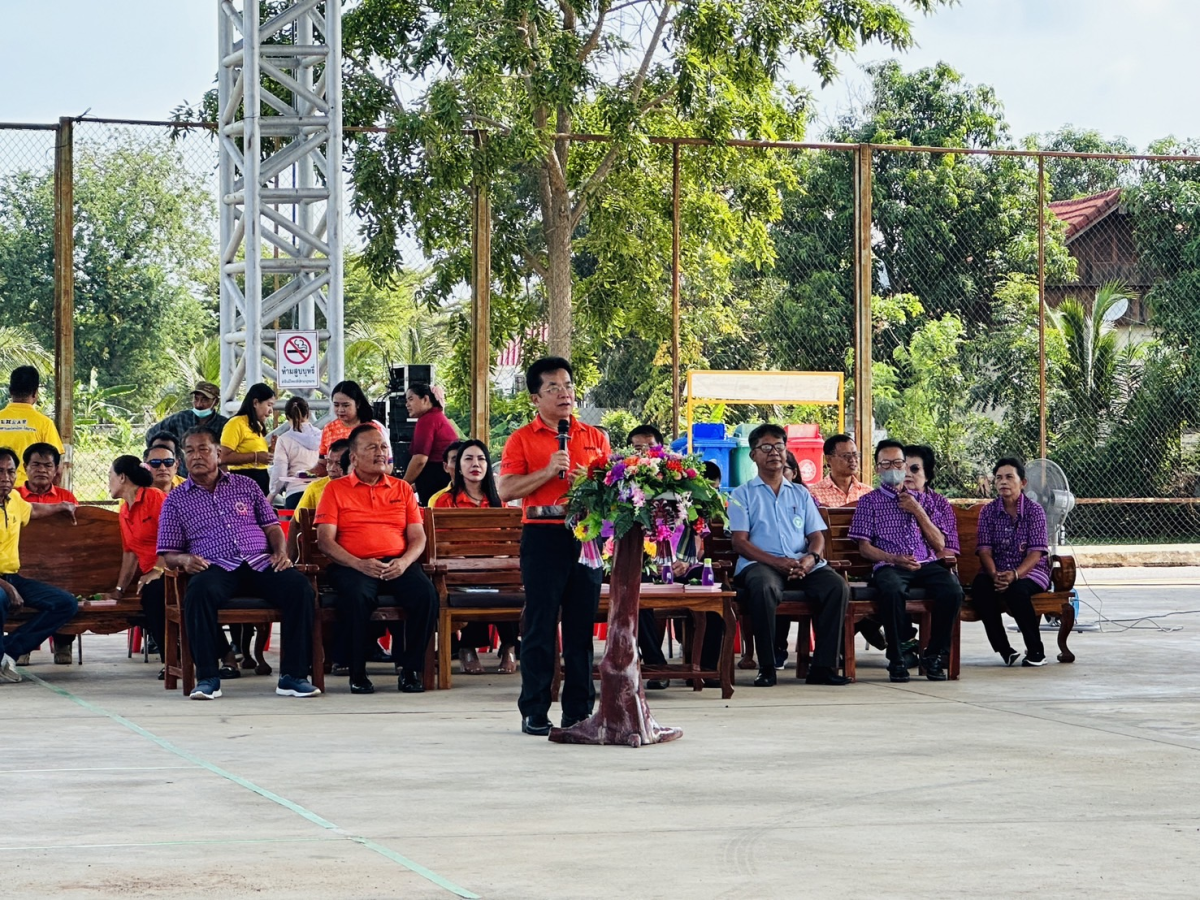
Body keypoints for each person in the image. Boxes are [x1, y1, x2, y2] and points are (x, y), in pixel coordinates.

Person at [157, 427, 319, 700]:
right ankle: (208, 678)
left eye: (204, 449)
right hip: (215, 566)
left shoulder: (246, 485)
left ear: (218, 453)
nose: (197, 456)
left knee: (299, 588)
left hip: (260, 561)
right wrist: (185, 559)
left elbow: (272, 527)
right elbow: (167, 553)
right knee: (198, 593)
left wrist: (281, 552)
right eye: (190, 451)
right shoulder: (176, 499)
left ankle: (293, 676)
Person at [499, 356, 610, 735]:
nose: (564, 394)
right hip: (543, 536)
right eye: (553, 388)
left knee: (581, 629)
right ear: (535, 398)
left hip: (586, 537)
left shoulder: (594, 437)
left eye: (568, 386)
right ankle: (535, 709)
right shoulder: (521, 439)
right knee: (541, 625)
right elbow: (507, 489)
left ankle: (579, 711)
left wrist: (591, 483)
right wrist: (548, 470)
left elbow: (611, 492)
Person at [316, 424, 438, 694]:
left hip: (397, 563)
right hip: (352, 564)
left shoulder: (402, 489)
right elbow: (325, 541)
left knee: (425, 595)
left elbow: (418, 537)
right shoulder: (336, 490)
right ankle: (357, 672)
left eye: (383, 446)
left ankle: (410, 669)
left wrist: (404, 562)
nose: (380, 453)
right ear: (355, 456)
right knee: (357, 595)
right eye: (372, 447)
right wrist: (358, 563)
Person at [727, 424, 851, 687]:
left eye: (780, 447)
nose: (775, 453)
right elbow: (740, 543)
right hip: (760, 563)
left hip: (800, 563)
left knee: (836, 586)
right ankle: (768, 667)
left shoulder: (800, 493)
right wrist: (777, 563)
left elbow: (816, 536)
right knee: (763, 587)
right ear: (753, 455)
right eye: (766, 447)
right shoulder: (742, 494)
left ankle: (823, 667)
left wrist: (811, 559)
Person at [848, 441, 963, 682]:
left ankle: (932, 655)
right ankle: (898, 657)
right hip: (890, 564)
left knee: (952, 591)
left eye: (898, 463)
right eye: (886, 463)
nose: (893, 468)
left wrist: (917, 510)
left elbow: (940, 544)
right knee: (890, 589)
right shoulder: (869, 502)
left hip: (926, 562)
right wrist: (894, 558)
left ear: (905, 467)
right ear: (878, 469)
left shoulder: (924, 500)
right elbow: (864, 548)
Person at [434, 438, 520, 675]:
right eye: (468, 459)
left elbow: (509, 542)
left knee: (504, 579)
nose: (476, 464)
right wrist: (468, 562)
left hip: (496, 569)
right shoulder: (446, 501)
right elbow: (443, 545)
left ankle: (509, 644)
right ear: (458, 466)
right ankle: (468, 647)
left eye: (481, 459)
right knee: (481, 580)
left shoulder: (499, 501)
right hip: (459, 570)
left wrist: (496, 560)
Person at [0, 447, 79, 684]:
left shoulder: (14, 499)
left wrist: (61, 506)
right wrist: (8, 588)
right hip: (3, 584)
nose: (5, 478)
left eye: (10, 472)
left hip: (11, 576)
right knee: (1, 598)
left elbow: (32, 509)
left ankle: (7, 652)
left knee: (65, 603)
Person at [971, 457, 1053, 668]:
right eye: (998, 478)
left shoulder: (1035, 511)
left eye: (1009, 477)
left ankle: (1036, 651)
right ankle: (1005, 650)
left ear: (1023, 482)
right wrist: (994, 575)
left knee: (1017, 591)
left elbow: (1036, 552)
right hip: (997, 570)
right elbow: (984, 549)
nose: (1003, 482)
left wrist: (1015, 574)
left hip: (1031, 570)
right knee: (981, 587)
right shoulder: (988, 512)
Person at [105, 456, 168, 677]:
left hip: (172, 569)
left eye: (110, 477)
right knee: (151, 593)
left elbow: (173, 539)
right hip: (151, 576)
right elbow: (129, 553)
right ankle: (173, 658)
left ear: (122, 477)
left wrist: (157, 570)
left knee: (153, 594)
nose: (109, 482)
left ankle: (172, 660)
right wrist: (119, 590)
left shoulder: (155, 497)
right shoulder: (124, 510)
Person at [146, 381, 227, 478]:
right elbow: (151, 434)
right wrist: (169, 452)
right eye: (196, 399)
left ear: (215, 402)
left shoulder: (224, 425)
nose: (199, 404)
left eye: (205, 400)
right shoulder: (181, 418)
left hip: (210, 477)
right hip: (182, 475)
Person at [287, 438, 351, 562]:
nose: (331, 468)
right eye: (329, 462)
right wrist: (290, 560)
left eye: (338, 463)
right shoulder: (316, 488)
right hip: (322, 553)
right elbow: (296, 522)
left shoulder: (363, 487)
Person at [0, 366, 62, 487]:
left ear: (11, 391)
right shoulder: (44, 423)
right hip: (31, 497)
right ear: (35, 392)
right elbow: (57, 471)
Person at [403, 382, 459, 505]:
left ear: (425, 399)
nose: (406, 404)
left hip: (437, 480)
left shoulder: (427, 420)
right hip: (442, 478)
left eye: (411, 399)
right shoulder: (437, 417)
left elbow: (420, 460)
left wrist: (402, 486)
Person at [219, 382, 275, 495]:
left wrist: (270, 451)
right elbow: (224, 457)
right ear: (255, 403)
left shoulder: (256, 425)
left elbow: (252, 453)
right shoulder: (236, 423)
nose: (271, 411)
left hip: (260, 480)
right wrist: (256, 457)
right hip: (243, 481)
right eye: (269, 405)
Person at [318, 380, 389, 467]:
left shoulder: (372, 429)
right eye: (336, 405)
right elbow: (323, 462)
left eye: (345, 405)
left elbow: (384, 462)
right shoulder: (329, 428)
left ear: (358, 404)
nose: (340, 410)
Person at [269, 396, 321, 508]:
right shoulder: (322, 435)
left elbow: (280, 472)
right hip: (321, 493)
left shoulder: (284, 439)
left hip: (295, 494)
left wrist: (272, 494)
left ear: (287, 417)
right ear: (308, 413)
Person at [808, 434, 873, 508]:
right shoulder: (813, 494)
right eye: (846, 455)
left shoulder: (868, 493)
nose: (852, 460)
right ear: (828, 459)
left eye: (855, 455)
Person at [425, 441, 464, 508]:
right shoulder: (437, 500)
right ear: (445, 467)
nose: (460, 465)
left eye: (467, 459)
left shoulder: (486, 496)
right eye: (455, 460)